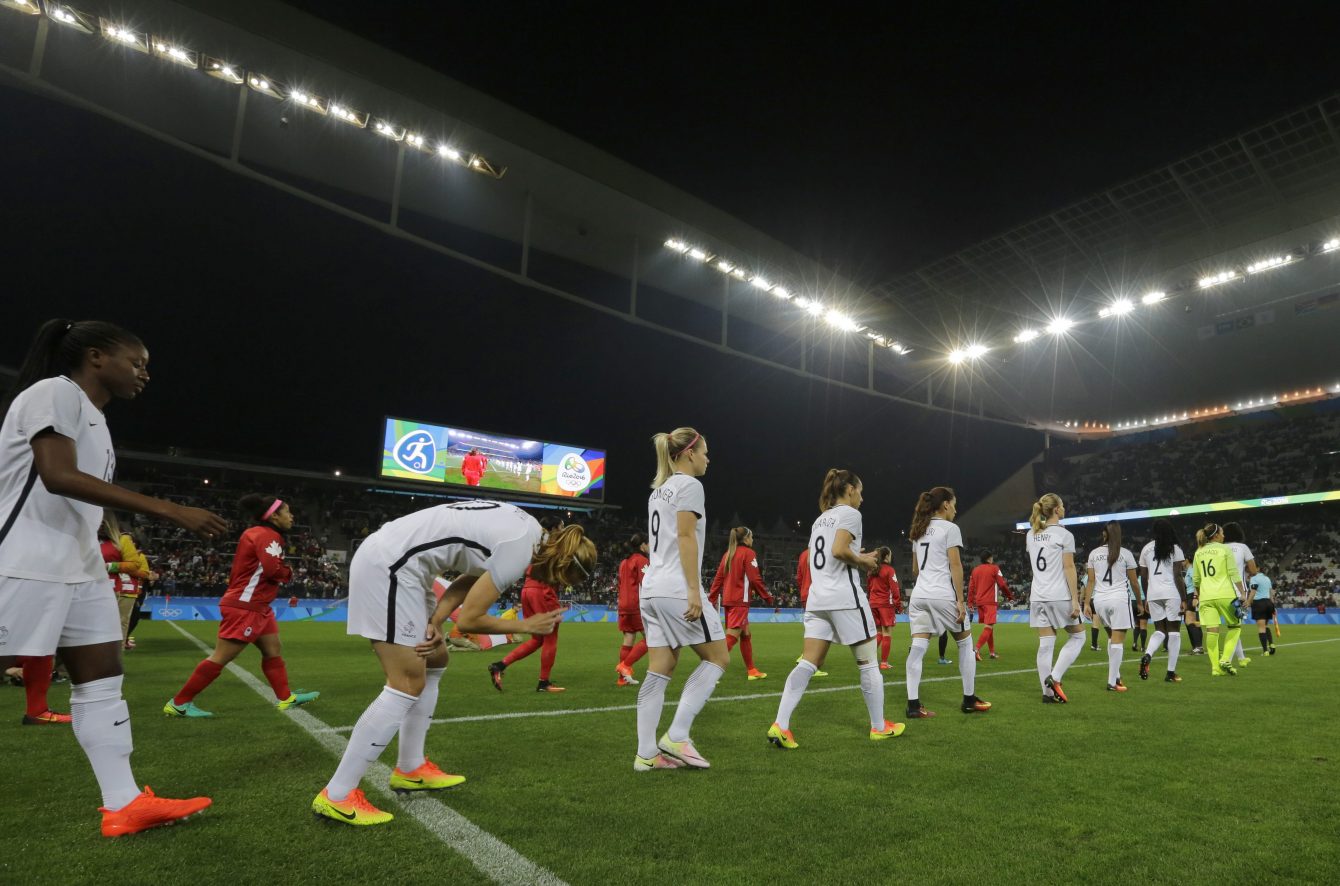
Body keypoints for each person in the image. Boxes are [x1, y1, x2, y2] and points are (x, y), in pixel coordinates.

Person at [0, 319, 226, 836]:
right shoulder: (55, 392)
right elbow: (57, 476)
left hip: (79, 565)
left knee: (102, 681)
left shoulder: (96, 419)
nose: (145, 374)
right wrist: (170, 509)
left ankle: (124, 803)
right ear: (97, 357)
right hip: (25, 560)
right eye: (137, 362)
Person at [313, 500, 592, 824]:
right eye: (563, 578)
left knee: (436, 658)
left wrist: (436, 619)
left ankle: (411, 767)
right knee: (406, 681)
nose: (556, 584)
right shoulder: (520, 549)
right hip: (390, 565)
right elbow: (471, 620)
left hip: (404, 564)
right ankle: (338, 795)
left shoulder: (527, 531)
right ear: (562, 563)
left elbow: (470, 578)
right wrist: (527, 625)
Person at [768, 470, 903, 749]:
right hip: (844, 597)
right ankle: (879, 727)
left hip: (818, 598)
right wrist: (863, 562)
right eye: (860, 492)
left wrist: (857, 555)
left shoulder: (820, 520)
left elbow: (826, 555)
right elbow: (840, 550)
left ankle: (781, 724)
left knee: (808, 662)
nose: (862, 498)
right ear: (850, 489)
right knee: (868, 662)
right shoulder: (850, 514)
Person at [164, 495, 320, 717]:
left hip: (257, 606)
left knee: (272, 650)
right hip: (246, 606)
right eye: (288, 511)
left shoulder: (256, 533)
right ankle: (179, 703)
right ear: (274, 516)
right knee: (221, 657)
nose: (292, 516)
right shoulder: (268, 535)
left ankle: (286, 698)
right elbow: (273, 570)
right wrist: (289, 572)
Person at [632, 427, 729, 772]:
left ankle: (646, 755)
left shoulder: (659, 491)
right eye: (704, 452)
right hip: (676, 588)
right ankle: (677, 735)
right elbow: (686, 536)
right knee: (718, 657)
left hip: (651, 589)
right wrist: (693, 590)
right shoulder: (690, 485)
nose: (708, 459)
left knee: (660, 668)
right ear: (689, 453)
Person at [904, 486, 990, 718]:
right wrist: (960, 600)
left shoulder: (918, 529)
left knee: (918, 647)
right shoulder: (950, 528)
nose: (955, 509)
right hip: (942, 594)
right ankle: (969, 699)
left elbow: (915, 569)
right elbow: (955, 565)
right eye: (954, 504)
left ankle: (913, 705)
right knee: (965, 643)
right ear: (945, 505)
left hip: (919, 595)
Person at [1026, 494, 1084, 703]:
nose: (1064, 508)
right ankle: (1055, 677)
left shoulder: (1031, 534)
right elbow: (1068, 567)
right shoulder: (1064, 535)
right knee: (1078, 637)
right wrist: (1075, 600)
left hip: (1037, 596)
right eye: (1062, 505)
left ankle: (1047, 694)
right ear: (1057, 510)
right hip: (1059, 595)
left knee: (1045, 644)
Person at [1083, 521, 1143, 693]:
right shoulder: (1125, 554)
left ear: (1104, 534)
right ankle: (1112, 682)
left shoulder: (1094, 553)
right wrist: (1139, 602)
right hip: (1119, 600)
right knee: (1118, 641)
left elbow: (1091, 581)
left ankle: (1116, 676)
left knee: (1111, 637)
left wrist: (1086, 603)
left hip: (1100, 601)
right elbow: (1134, 582)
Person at [487, 564, 566, 693]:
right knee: (550, 637)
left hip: (527, 590)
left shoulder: (536, 551)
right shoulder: (558, 551)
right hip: (542, 590)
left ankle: (500, 665)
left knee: (537, 639)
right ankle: (543, 683)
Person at [708, 525, 774, 680]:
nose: (753, 540)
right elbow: (754, 578)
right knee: (731, 637)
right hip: (739, 601)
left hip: (729, 601)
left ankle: (751, 671)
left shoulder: (728, 554)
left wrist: (712, 599)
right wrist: (767, 596)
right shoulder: (748, 553)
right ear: (746, 538)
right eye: (752, 537)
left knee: (746, 634)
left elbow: (718, 578)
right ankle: (708, 671)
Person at [1188, 523, 1248, 677]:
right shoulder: (1224, 549)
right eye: (1222, 533)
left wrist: (1198, 596)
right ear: (1215, 535)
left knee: (1212, 632)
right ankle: (1226, 659)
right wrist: (1242, 593)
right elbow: (1233, 573)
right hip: (1225, 595)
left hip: (1206, 597)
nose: (1224, 535)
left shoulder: (1198, 552)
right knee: (1235, 627)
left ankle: (1215, 668)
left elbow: (1196, 579)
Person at [1137, 519, 1188, 683]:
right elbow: (1178, 575)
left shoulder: (1146, 549)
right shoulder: (1175, 548)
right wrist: (1184, 598)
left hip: (1153, 593)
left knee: (1159, 630)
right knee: (1174, 632)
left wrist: (1147, 596)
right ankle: (1170, 673)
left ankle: (1148, 654)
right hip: (1171, 592)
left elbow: (1143, 576)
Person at [1222, 523, 1259, 668]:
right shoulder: (1243, 547)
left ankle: (1241, 658)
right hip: (1239, 593)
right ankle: (1227, 660)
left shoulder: (1220, 548)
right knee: (1236, 628)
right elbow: (1253, 570)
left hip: (1222, 592)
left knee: (1233, 626)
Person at [615, 534, 650, 686]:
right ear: (642, 545)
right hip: (636, 604)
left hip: (623, 604)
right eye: (648, 544)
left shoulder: (624, 562)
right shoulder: (641, 560)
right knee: (651, 638)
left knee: (629, 637)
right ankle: (625, 666)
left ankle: (622, 679)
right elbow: (647, 583)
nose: (650, 547)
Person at [968, 552, 1010, 661]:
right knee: (989, 626)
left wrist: (970, 603)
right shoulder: (994, 568)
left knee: (989, 626)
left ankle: (992, 652)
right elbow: (1002, 584)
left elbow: (971, 587)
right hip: (990, 601)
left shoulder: (975, 570)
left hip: (980, 602)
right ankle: (976, 650)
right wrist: (1009, 596)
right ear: (989, 559)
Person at [793, 547, 828, 678]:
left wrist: (803, 588)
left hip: (806, 593)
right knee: (821, 630)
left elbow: (799, 576)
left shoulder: (804, 554)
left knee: (813, 628)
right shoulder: (823, 551)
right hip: (818, 594)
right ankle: (809, 662)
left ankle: (806, 659)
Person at [866, 547, 900, 670]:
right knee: (887, 633)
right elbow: (895, 589)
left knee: (878, 632)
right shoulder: (889, 570)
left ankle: (869, 658)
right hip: (885, 605)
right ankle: (884, 663)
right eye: (890, 555)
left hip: (873, 604)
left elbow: (868, 588)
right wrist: (898, 605)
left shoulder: (871, 570)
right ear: (886, 556)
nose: (891, 557)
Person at [1249, 572, 1277, 655]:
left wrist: (1248, 602)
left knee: (1261, 628)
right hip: (1269, 603)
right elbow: (1271, 593)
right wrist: (1273, 606)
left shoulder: (1254, 578)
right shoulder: (1267, 578)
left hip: (1259, 603)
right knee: (1266, 625)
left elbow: (1253, 592)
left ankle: (1265, 651)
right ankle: (1271, 644)